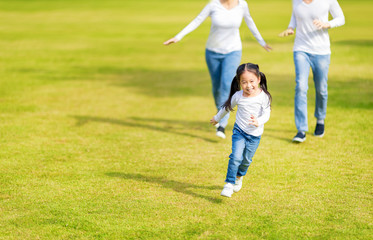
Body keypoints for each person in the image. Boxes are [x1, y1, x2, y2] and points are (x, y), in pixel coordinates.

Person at [164, 0, 271, 139]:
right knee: (217, 88)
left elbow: (250, 23)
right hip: (212, 52)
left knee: (226, 84)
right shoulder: (213, 4)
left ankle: (222, 124)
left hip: (233, 51)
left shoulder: (242, 5)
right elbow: (197, 20)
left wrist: (262, 42)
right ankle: (219, 111)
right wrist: (178, 36)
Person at [278, 0, 345, 143]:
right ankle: (301, 130)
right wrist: (291, 28)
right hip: (301, 49)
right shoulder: (296, 1)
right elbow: (295, 17)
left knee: (321, 89)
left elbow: (341, 18)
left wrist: (328, 24)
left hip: (321, 51)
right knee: (301, 86)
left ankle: (320, 119)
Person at [210, 63, 271, 197]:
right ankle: (229, 184)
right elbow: (226, 108)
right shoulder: (238, 96)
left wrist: (258, 121)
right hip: (239, 131)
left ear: (259, 79)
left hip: (255, 135)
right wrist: (217, 118)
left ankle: (239, 177)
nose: (248, 85)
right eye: (244, 82)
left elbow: (267, 114)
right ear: (239, 82)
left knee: (246, 160)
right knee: (235, 157)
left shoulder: (263, 96)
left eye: (251, 81)